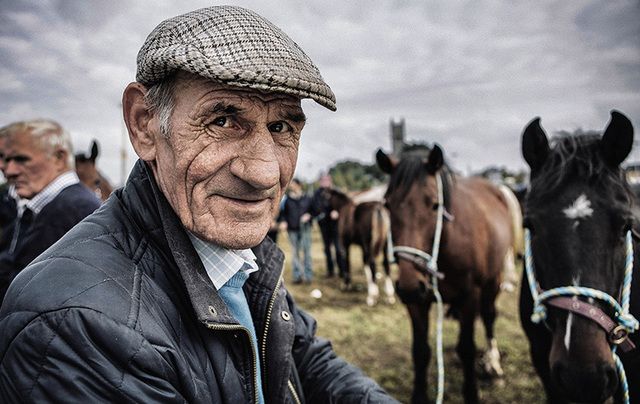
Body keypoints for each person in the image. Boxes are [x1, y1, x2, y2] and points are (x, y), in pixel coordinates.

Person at [0, 6, 397, 403]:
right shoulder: (74, 325)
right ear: (145, 125)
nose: (264, 173)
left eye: (281, 127)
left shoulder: (237, 252)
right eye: (223, 120)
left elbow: (302, 356)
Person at [0, 119, 101, 303]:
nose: (8, 170)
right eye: (5, 159)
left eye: (21, 159)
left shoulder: (77, 210)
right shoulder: (33, 205)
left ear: (59, 158)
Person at [280, 178, 314, 283]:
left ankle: (308, 276)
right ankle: (297, 276)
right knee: (295, 253)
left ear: (299, 185)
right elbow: (283, 213)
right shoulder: (287, 199)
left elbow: (313, 211)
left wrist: (309, 216)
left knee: (307, 252)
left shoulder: (307, 198)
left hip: (305, 229)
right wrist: (283, 221)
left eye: (293, 185)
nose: (291, 186)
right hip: (292, 229)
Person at [311, 173, 343, 277]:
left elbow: (343, 206)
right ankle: (330, 271)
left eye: (326, 180)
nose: (325, 182)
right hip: (324, 225)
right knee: (327, 249)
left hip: (335, 225)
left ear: (330, 181)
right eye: (323, 180)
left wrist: (337, 212)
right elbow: (315, 207)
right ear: (320, 182)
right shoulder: (317, 194)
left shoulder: (336, 192)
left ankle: (342, 270)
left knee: (338, 248)